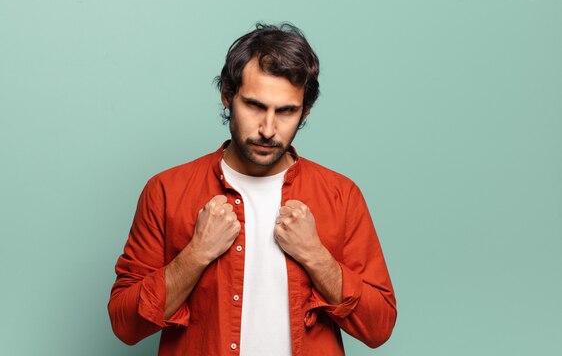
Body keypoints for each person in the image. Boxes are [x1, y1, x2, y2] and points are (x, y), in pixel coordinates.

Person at [108, 22, 397, 355]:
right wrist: (196, 254)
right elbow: (125, 325)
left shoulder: (340, 195)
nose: (268, 129)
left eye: (286, 111)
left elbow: (379, 327)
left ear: (305, 111)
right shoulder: (166, 191)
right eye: (255, 106)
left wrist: (316, 256)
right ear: (228, 96)